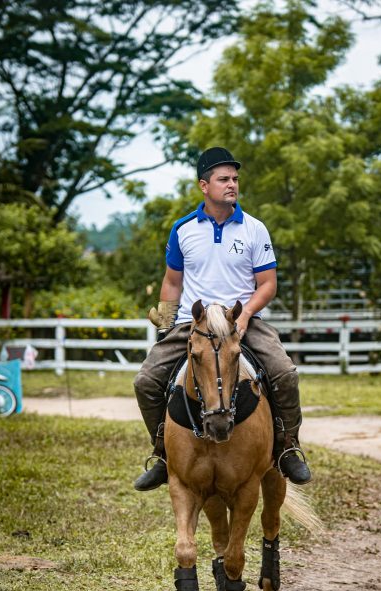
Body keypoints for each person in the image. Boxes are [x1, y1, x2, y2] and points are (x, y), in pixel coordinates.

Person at [133, 146, 312, 490]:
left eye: (235, 179)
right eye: (223, 179)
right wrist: (165, 325)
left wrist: (243, 316)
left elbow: (268, 284)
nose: (232, 185)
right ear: (204, 185)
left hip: (241, 321)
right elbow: (172, 281)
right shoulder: (182, 229)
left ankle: (288, 447)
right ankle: (162, 452)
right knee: (145, 383)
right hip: (193, 323)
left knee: (285, 375)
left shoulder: (254, 228)